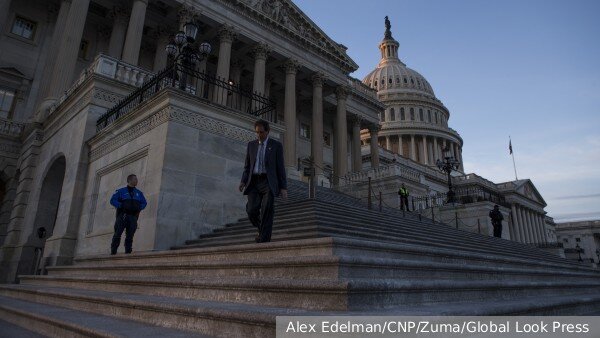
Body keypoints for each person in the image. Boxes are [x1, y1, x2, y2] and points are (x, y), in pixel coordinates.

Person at [239, 120, 287, 243]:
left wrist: (283, 187)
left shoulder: (276, 146)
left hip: (268, 182)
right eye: (257, 132)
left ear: (267, 131)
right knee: (251, 210)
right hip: (254, 182)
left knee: (267, 210)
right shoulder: (251, 145)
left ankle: (264, 239)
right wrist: (243, 181)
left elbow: (280, 168)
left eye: (261, 132)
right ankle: (261, 228)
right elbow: (247, 166)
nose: (259, 135)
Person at [110, 174, 147, 254]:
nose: (136, 181)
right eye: (135, 179)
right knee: (117, 234)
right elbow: (112, 200)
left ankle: (128, 252)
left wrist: (139, 207)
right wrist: (120, 205)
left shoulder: (139, 193)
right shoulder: (121, 191)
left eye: (136, 179)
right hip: (123, 215)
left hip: (133, 217)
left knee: (130, 235)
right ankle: (113, 252)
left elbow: (144, 203)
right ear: (129, 180)